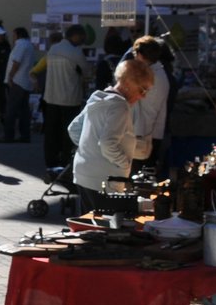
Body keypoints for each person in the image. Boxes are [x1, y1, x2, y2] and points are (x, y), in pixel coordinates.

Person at [67, 58, 155, 211]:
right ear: (128, 83)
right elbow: (107, 143)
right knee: (104, 228)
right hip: (105, 179)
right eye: (142, 90)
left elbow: (74, 129)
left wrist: (89, 150)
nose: (143, 96)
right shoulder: (119, 106)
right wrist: (124, 164)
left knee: (89, 224)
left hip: (84, 172)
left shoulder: (98, 97)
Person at [41, 24, 87, 173]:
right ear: (75, 36)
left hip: (51, 98)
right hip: (69, 99)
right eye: (81, 37)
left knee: (51, 133)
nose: (83, 40)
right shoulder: (75, 52)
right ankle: (66, 162)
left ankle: (50, 162)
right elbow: (86, 72)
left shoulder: (53, 49)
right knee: (68, 133)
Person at [127, 35, 171, 167]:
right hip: (148, 132)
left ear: (140, 55)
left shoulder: (151, 75)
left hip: (144, 134)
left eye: (135, 54)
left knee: (139, 178)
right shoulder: (157, 72)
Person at [1, 26, 38, 143]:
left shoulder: (21, 45)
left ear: (17, 35)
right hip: (26, 82)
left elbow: (16, 62)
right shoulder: (29, 45)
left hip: (17, 81)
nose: (12, 37)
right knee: (23, 111)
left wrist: (11, 76)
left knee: (11, 109)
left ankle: (8, 136)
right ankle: (25, 135)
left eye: (13, 35)